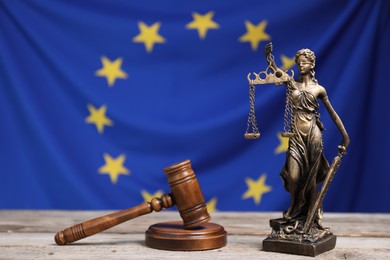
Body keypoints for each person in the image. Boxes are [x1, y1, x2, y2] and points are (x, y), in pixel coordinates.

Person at [265, 43, 350, 231]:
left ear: (312, 65)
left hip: (313, 135)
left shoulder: (319, 89)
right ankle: (294, 209)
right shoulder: (292, 83)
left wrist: (345, 137)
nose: (300, 65)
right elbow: (278, 72)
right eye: (298, 63)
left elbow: (333, 114)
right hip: (296, 136)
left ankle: (310, 214)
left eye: (304, 63)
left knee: (310, 179)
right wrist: (270, 60)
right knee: (294, 176)